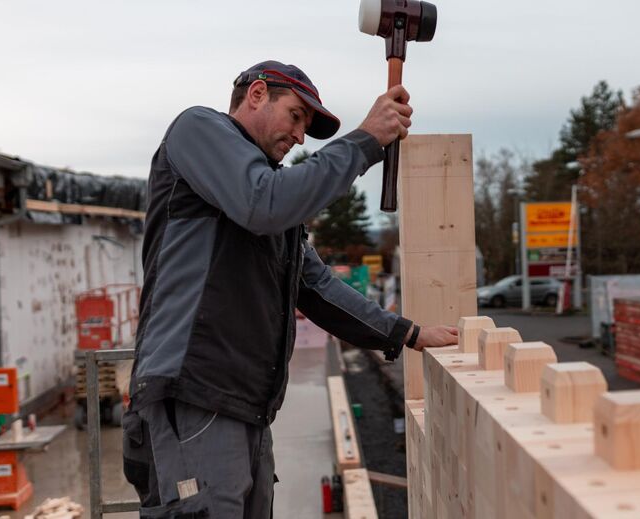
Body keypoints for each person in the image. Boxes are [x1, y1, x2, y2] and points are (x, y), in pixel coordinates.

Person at [121, 60, 459, 517]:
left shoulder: (271, 197)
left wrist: (408, 333)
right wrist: (364, 141)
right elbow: (265, 202)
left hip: (245, 405)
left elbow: (315, 285)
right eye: (296, 116)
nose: (300, 137)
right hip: (194, 393)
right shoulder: (198, 131)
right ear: (257, 95)